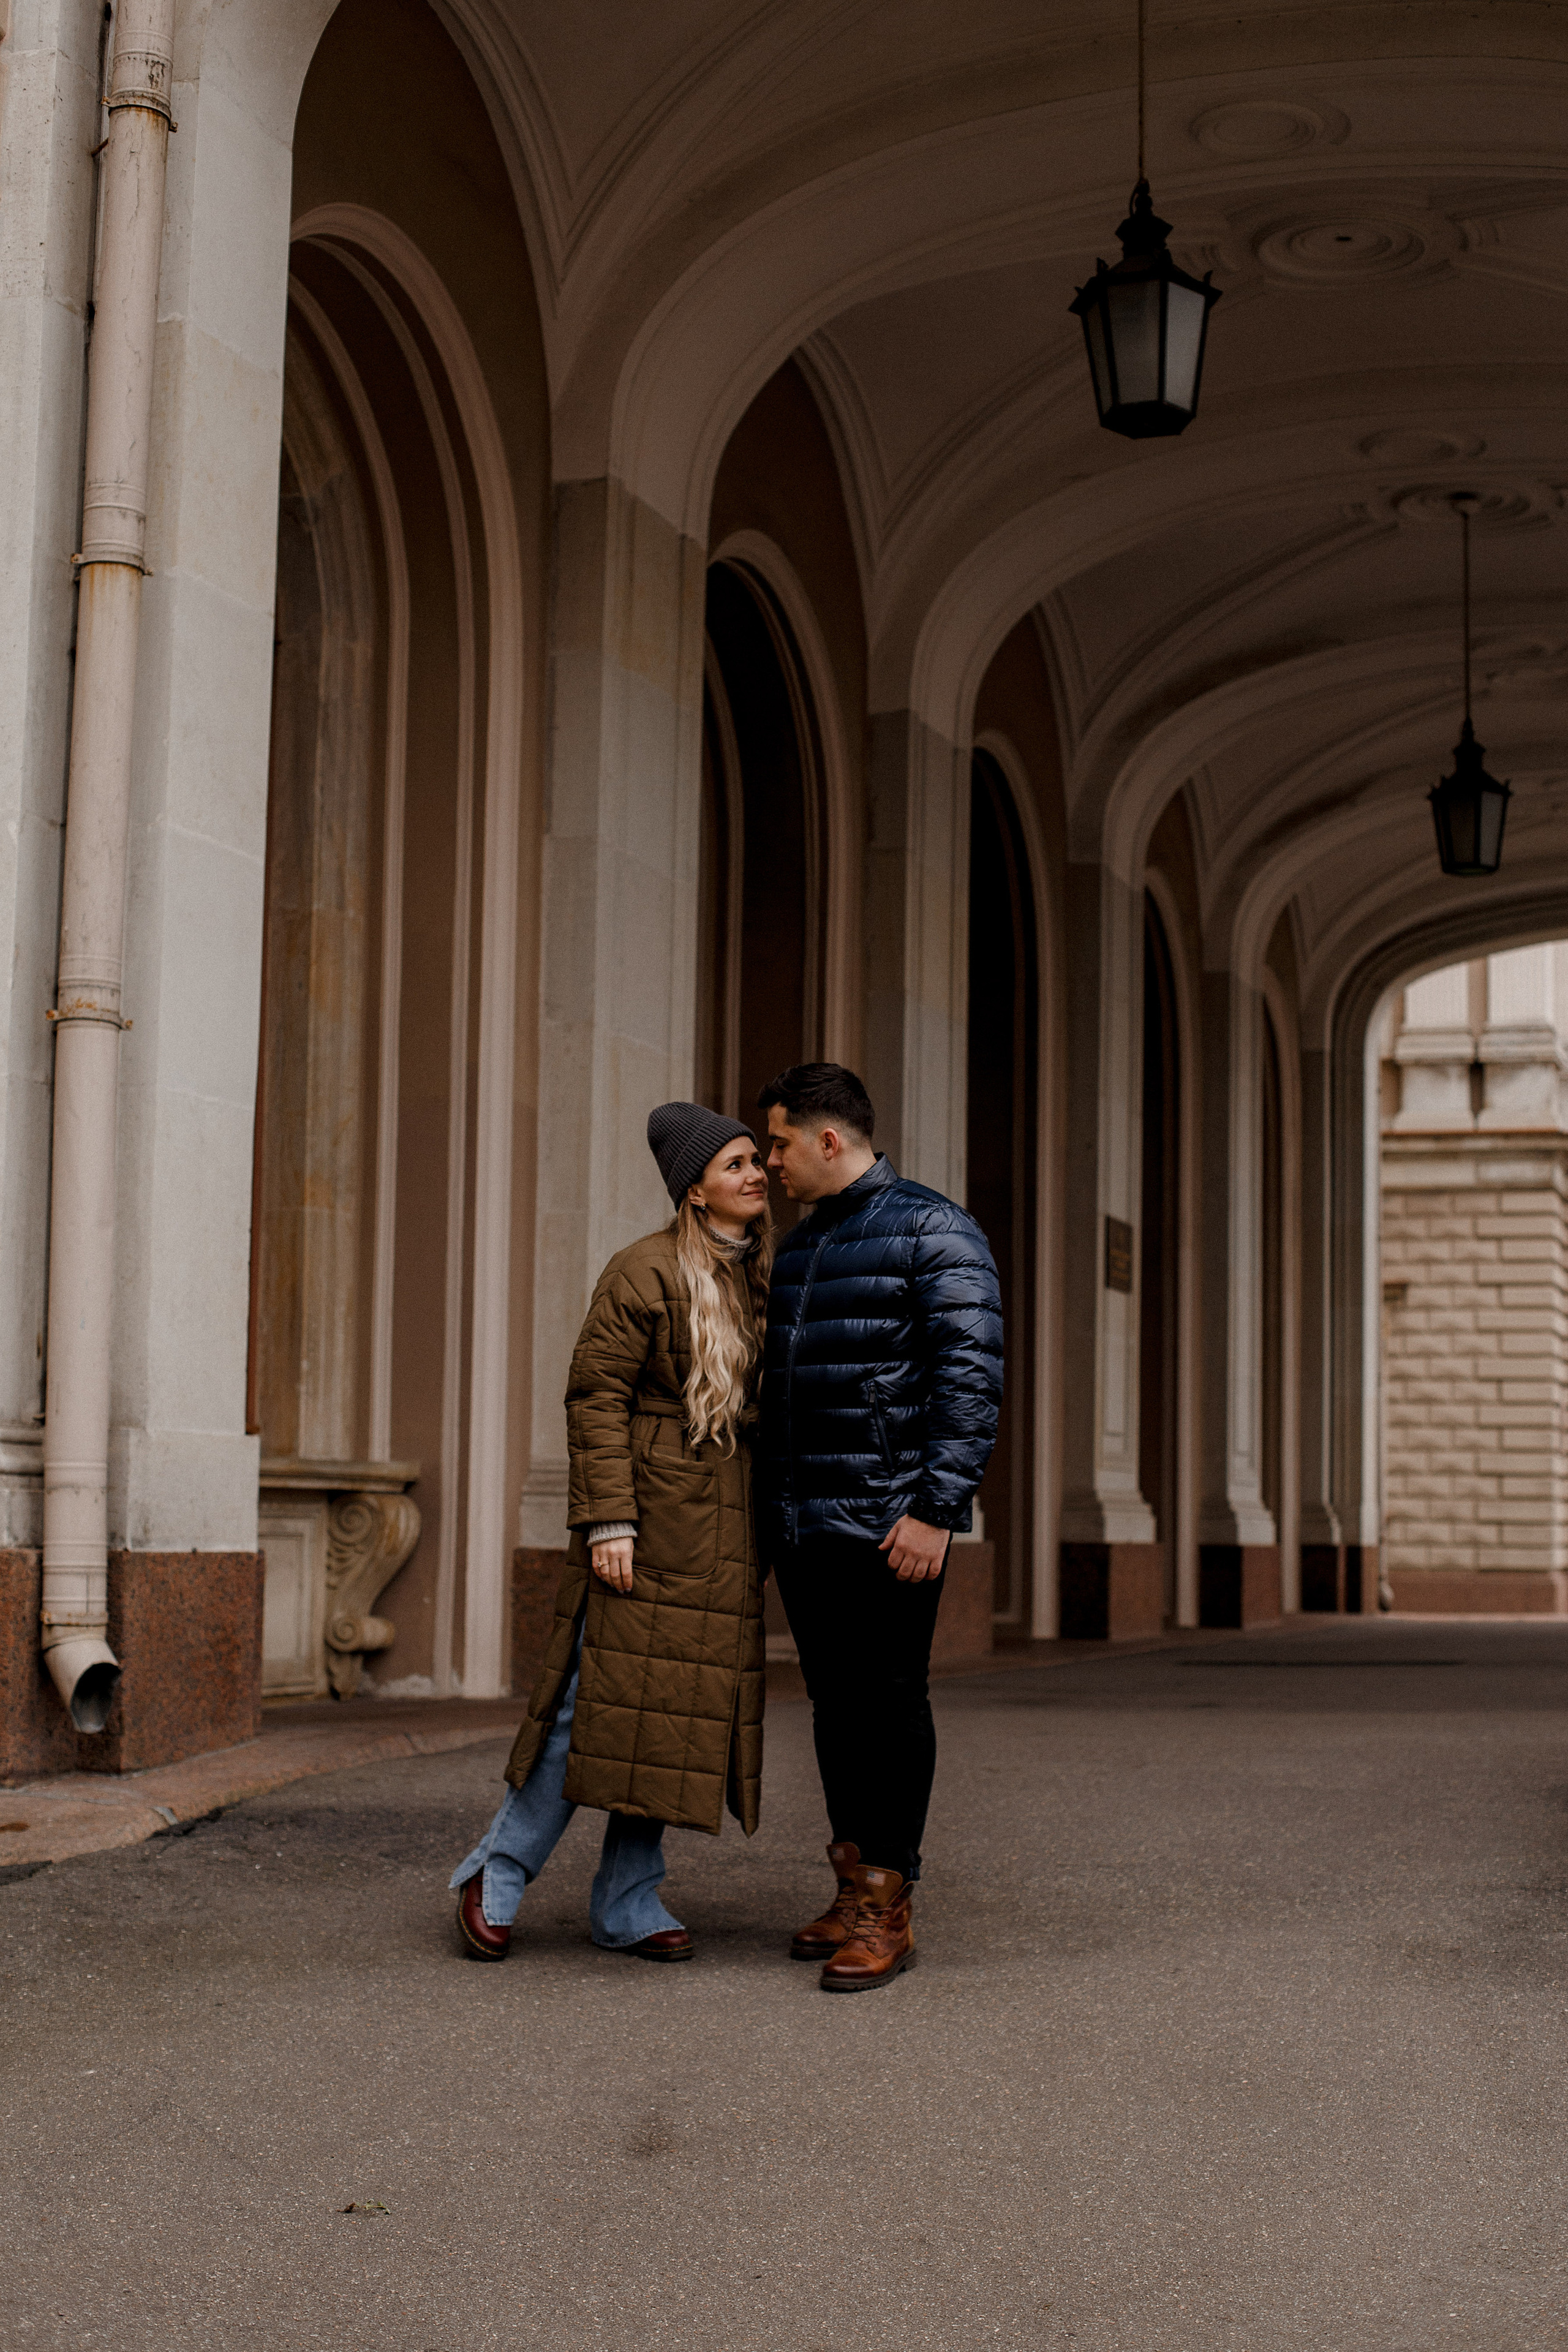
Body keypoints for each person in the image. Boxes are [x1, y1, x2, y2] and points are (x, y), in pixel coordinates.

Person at [450, 1103, 771, 1963]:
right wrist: (609, 1519)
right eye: (736, 1164)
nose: (755, 1174)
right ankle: (498, 1872)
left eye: (755, 1160)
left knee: (670, 1720)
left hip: (723, 1535)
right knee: (590, 1710)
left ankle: (628, 1902)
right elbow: (595, 1397)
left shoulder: (757, 1276)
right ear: (695, 1191)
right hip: (647, 1524)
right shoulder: (643, 1271)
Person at [756, 1062, 1002, 1992]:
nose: (770, 1161)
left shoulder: (935, 1229)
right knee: (834, 1706)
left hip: (894, 1523)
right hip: (807, 1522)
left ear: (829, 1141)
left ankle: (888, 1903)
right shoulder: (801, 1245)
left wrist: (938, 1509)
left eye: (780, 1143)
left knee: (890, 1701)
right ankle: (853, 1879)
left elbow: (969, 1380)